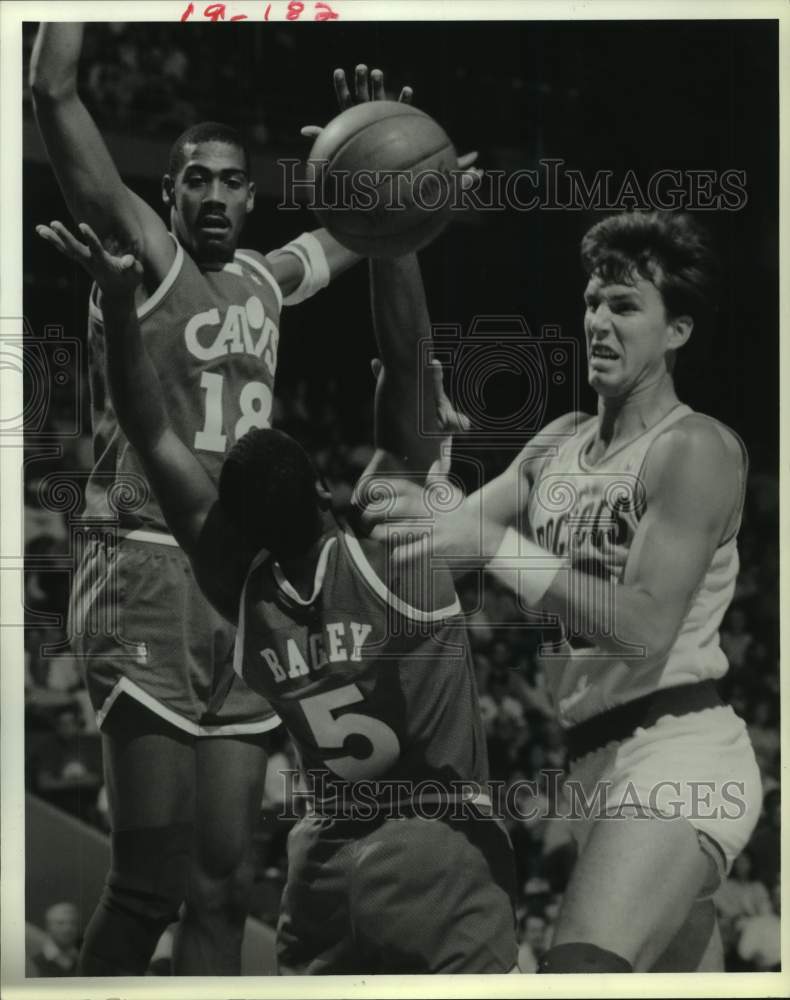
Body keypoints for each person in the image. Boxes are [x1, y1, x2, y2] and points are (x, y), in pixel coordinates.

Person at [37, 205, 517, 974]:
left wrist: (122, 312)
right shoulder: (396, 562)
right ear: (329, 495)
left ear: (231, 528)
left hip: (325, 876)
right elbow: (405, 371)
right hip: (439, 858)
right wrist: (396, 236)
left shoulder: (242, 598)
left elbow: (150, 427)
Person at [30, 22, 408, 976]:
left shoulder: (264, 281)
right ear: (169, 191)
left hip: (237, 586)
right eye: (192, 176)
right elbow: (56, 95)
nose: (210, 193)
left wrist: (397, 146)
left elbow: (359, 226)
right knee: (143, 885)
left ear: (250, 194)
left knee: (224, 886)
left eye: (228, 179)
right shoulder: (147, 256)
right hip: (149, 561)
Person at [367, 211, 763, 972]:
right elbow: (417, 564)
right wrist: (419, 445)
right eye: (592, 303)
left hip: (678, 753)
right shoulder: (557, 445)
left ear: (676, 332)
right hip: (589, 766)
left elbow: (644, 626)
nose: (600, 323)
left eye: (625, 306)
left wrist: (493, 544)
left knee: (576, 973)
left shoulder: (695, 448)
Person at [29, 902, 81, 977]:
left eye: (73, 923)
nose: (68, 929)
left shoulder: (84, 959)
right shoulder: (34, 963)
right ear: (48, 927)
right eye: (60, 923)